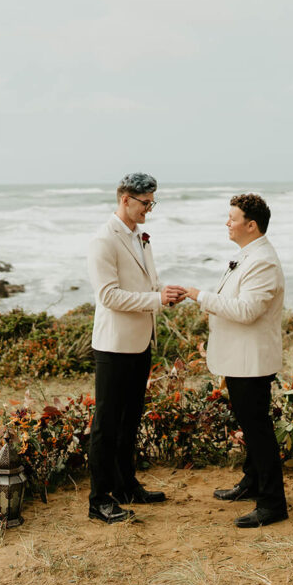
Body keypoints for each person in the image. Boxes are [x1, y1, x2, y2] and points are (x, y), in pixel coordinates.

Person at [182, 193, 288, 528]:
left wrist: (201, 297)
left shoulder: (263, 262)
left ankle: (272, 504)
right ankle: (251, 482)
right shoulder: (248, 255)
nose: (227, 222)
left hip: (252, 361)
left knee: (258, 431)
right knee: (251, 425)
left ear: (251, 225)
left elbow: (246, 311)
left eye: (232, 218)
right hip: (240, 358)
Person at [86, 172, 185, 524]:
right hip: (113, 346)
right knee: (106, 424)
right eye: (146, 203)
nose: (150, 209)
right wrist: (154, 298)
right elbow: (108, 296)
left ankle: (127, 487)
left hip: (140, 342)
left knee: (130, 421)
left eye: (152, 202)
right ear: (125, 199)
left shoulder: (139, 237)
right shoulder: (103, 240)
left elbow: (145, 281)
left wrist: (162, 292)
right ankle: (99, 500)